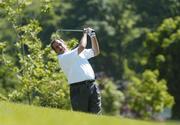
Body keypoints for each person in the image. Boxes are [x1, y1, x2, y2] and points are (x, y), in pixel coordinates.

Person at [51, 27, 101, 114]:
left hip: (92, 86)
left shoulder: (77, 53)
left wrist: (93, 35)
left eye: (59, 44)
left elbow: (96, 51)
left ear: (64, 43)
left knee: (96, 114)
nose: (59, 47)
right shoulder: (63, 58)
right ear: (56, 51)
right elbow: (82, 46)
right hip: (78, 89)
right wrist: (85, 34)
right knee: (82, 117)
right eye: (56, 47)